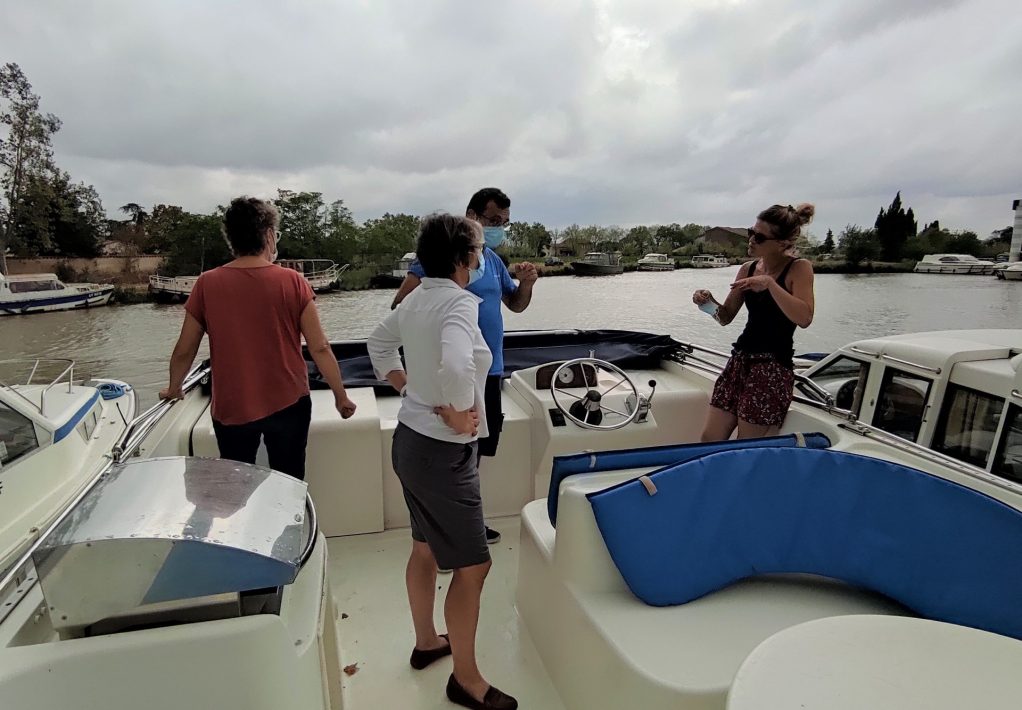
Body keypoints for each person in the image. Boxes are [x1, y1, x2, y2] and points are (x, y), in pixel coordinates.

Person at [368, 214, 518, 710]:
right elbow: (456, 365)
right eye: (477, 249)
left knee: (424, 547)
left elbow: (378, 342)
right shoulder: (457, 303)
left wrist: (403, 384)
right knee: (474, 566)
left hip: (411, 442)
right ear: (463, 257)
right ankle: (466, 681)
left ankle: (427, 641)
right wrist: (457, 413)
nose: (480, 257)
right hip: (443, 454)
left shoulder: (415, 298)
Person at [160, 196, 356, 480]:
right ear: (267, 235)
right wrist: (341, 396)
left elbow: (184, 349)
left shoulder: (206, 283)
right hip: (289, 402)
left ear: (231, 239)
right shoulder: (293, 282)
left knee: (237, 487)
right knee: (289, 482)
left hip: (231, 406)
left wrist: (174, 387)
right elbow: (320, 347)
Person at [391, 187, 538, 546]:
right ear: (472, 215)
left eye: (505, 223)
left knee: (475, 452)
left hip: (491, 371)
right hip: (451, 374)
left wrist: (528, 284)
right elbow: (402, 305)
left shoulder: (495, 262)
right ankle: (440, 531)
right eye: (492, 221)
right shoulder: (436, 261)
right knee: (451, 452)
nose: (498, 228)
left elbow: (516, 305)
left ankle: (464, 521)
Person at [692, 203, 816, 441]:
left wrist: (769, 284)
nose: (751, 239)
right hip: (740, 362)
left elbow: (805, 318)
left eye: (759, 237)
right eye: (751, 232)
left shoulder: (799, 268)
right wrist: (706, 303)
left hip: (771, 369)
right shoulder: (747, 269)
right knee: (709, 439)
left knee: (744, 447)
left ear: (782, 243)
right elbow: (725, 317)